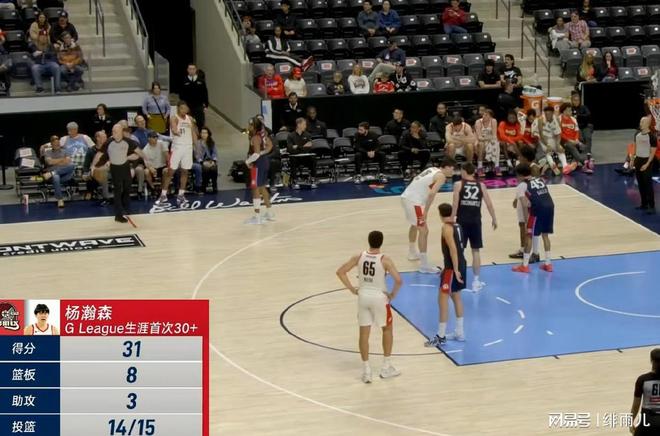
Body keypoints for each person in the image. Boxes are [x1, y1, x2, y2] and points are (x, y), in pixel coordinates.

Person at [335, 230, 403, 383]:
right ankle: (386, 367)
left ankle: (366, 371)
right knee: (387, 330)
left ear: (369, 241)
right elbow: (399, 280)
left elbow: (340, 272)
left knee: (364, 334)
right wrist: (392, 294)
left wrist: (352, 289)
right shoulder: (385, 259)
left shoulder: (359, 256)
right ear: (381, 242)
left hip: (363, 297)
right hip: (379, 298)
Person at [400, 158, 456, 273]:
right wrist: (425, 211)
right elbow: (431, 194)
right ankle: (424, 265)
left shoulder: (432, 169)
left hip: (406, 196)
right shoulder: (441, 176)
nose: (453, 171)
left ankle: (412, 252)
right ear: (446, 167)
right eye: (452, 168)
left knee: (414, 225)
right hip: (415, 201)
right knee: (424, 231)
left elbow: (415, 179)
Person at [424, 202, 466, 347]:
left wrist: (454, 269)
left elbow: (453, 250)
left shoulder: (446, 228)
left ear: (440, 215)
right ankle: (460, 332)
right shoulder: (457, 225)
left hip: (453, 268)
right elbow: (459, 248)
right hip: (459, 264)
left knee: (442, 300)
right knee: (456, 297)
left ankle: (441, 336)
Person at [452, 163, 497, 291]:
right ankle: (476, 281)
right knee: (475, 251)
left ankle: (456, 277)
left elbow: (455, 204)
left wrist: (451, 219)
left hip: (461, 221)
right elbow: (489, 204)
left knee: (458, 251)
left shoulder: (458, 184)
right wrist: (494, 218)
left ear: (465, 171)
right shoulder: (481, 185)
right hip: (475, 221)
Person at [512, 163, 555, 273]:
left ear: (520, 175)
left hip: (538, 209)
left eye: (516, 175)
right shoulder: (540, 180)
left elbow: (524, 205)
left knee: (529, 235)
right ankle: (548, 264)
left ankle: (525, 265)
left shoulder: (522, 186)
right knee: (545, 235)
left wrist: (527, 222)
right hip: (550, 206)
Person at [93, 124, 141, 223]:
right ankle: (118, 214)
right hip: (114, 168)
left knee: (127, 187)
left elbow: (137, 155)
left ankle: (125, 205)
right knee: (118, 190)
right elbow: (100, 154)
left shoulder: (129, 142)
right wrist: (93, 167)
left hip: (126, 167)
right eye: (113, 131)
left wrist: (133, 166)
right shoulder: (109, 142)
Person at [156, 101, 198, 206]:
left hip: (188, 147)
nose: (184, 110)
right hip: (177, 147)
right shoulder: (174, 118)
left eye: (186, 108)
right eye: (182, 108)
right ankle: (163, 195)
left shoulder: (190, 119)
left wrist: (196, 145)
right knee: (170, 172)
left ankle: (181, 195)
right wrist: (175, 131)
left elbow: (193, 132)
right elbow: (173, 128)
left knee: (185, 171)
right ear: (178, 108)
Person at [510, 147, 541, 262]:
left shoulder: (534, 168)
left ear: (525, 157)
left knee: (528, 226)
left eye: (520, 156)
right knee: (522, 224)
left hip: (529, 200)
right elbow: (521, 186)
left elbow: (534, 186)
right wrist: (516, 198)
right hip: (522, 197)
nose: (518, 157)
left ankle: (531, 251)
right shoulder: (523, 167)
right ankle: (523, 249)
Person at [245, 117, 275, 224]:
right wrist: (263, 153)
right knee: (262, 187)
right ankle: (269, 213)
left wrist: (247, 161)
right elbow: (270, 146)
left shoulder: (255, 137)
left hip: (258, 164)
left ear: (254, 126)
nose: (248, 126)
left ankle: (257, 217)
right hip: (265, 162)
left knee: (255, 189)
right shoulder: (263, 134)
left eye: (250, 125)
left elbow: (256, 154)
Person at [629, 348, 660, 435]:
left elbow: (636, 406)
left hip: (647, 421)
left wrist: (630, 422)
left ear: (651, 361)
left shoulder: (642, 379)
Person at [632, 116, 657, 214]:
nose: (640, 124)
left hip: (646, 161)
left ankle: (652, 206)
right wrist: (632, 159)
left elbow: (652, 153)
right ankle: (644, 204)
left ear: (647, 124)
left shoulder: (652, 137)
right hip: (638, 160)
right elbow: (635, 147)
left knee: (648, 184)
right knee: (641, 183)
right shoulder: (637, 135)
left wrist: (647, 164)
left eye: (642, 122)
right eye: (640, 122)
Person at [42, 135, 76, 208]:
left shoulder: (65, 151)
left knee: (72, 165)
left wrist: (55, 162)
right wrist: (62, 160)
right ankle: (60, 199)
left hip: (64, 175)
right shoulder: (47, 152)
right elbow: (49, 162)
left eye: (58, 143)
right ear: (51, 144)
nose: (57, 145)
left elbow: (68, 162)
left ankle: (52, 173)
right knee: (56, 177)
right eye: (54, 143)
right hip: (53, 178)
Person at [559, 102, 592, 174]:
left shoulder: (573, 119)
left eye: (571, 110)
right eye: (569, 110)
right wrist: (570, 140)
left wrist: (576, 139)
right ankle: (585, 162)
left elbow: (577, 131)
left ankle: (574, 163)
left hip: (574, 140)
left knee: (584, 147)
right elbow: (560, 134)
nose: (571, 111)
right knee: (572, 147)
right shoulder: (559, 119)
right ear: (564, 111)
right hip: (564, 141)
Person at [287, 117, 317, 189]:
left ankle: (313, 179)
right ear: (298, 125)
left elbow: (309, 148)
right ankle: (294, 181)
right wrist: (303, 147)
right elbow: (290, 149)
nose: (305, 126)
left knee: (313, 159)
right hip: (295, 158)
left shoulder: (308, 135)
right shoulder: (290, 136)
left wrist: (297, 147)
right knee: (292, 159)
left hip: (305, 158)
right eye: (304, 124)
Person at [532, 106, 563, 176]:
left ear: (552, 113)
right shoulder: (540, 120)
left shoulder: (555, 119)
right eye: (546, 114)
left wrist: (556, 144)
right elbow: (540, 134)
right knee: (545, 150)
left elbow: (557, 133)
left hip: (547, 139)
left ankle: (551, 164)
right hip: (538, 138)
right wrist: (547, 144)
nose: (547, 115)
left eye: (549, 114)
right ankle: (550, 164)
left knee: (552, 150)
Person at [82, 130, 111, 204]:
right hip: (96, 170)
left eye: (106, 137)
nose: (106, 139)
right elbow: (86, 164)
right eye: (104, 137)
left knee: (103, 172)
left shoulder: (109, 149)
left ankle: (105, 197)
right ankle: (91, 192)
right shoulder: (91, 150)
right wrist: (85, 173)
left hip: (110, 171)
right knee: (92, 173)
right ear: (98, 138)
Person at [179, 64, 209, 129]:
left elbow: (205, 93)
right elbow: (181, 94)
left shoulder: (201, 81)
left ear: (196, 70)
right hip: (187, 106)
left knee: (200, 123)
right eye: (190, 69)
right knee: (187, 124)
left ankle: (200, 134)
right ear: (187, 70)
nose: (191, 70)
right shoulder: (184, 80)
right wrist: (183, 105)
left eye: (193, 69)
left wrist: (206, 105)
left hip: (199, 106)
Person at [142, 131, 169, 197]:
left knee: (166, 170)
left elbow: (167, 156)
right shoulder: (145, 149)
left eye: (156, 137)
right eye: (154, 137)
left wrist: (168, 162)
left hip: (162, 166)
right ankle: (153, 188)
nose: (156, 138)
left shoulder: (162, 143)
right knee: (146, 171)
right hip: (152, 167)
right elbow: (146, 163)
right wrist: (151, 168)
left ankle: (162, 189)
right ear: (149, 138)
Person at [192, 126, 219, 193]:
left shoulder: (212, 143)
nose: (203, 134)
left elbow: (215, 153)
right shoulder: (197, 143)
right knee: (205, 168)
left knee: (214, 167)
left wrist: (214, 161)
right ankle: (204, 185)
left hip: (210, 160)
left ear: (208, 134)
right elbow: (197, 155)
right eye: (202, 133)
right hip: (201, 161)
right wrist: (202, 162)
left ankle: (214, 186)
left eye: (205, 133)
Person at [474, 108, 499, 177]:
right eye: (483, 115)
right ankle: (479, 167)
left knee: (496, 143)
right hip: (479, 141)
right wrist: (489, 138)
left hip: (489, 140)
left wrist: (488, 138)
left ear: (490, 117)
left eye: (486, 115)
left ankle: (496, 166)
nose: (484, 116)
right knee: (481, 144)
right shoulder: (478, 122)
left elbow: (494, 135)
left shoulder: (494, 121)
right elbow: (479, 137)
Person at [570, 91, 594, 156]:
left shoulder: (584, 107)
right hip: (576, 127)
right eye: (575, 100)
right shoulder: (570, 109)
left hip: (585, 126)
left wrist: (579, 116)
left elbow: (588, 115)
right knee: (580, 138)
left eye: (578, 100)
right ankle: (582, 152)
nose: (576, 102)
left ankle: (588, 153)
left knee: (587, 137)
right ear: (572, 101)